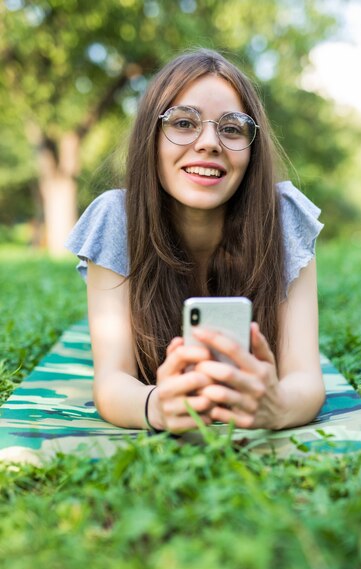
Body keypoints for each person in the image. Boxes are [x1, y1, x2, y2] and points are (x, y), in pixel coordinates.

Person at [65, 48, 325, 434]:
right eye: (184, 123)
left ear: (252, 151)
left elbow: (305, 379)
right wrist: (157, 406)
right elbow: (112, 383)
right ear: (150, 139)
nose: (209, 143)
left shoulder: (284, 216)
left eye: (232, 127)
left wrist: (277, 406)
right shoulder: (116, 219)